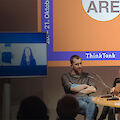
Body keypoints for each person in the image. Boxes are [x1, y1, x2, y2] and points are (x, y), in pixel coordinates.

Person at [61, 55, 98, 120]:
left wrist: (78, 88)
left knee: (93, 99)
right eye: (77, 64)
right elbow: (71, 88)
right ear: (71, 66)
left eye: (80, 63)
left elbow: (93, 89)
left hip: (86, 98)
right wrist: (85, 86)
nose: (80, 66)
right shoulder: (65, 76)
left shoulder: (87, 75)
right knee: (90, 107)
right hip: (74, 100)